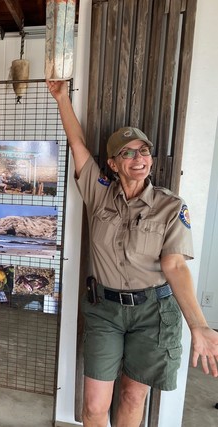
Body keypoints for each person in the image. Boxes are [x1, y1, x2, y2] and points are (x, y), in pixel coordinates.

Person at [47, 80, 218, 426]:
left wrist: (198, 325)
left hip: (152, 312)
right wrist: (62, 98)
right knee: (94, 406)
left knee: (132, 395)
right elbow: (77, 143)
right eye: (128, 152)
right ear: (112, 163)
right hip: (105, 311)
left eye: (144, 151)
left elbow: (174, 266)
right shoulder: (99, 194)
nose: (138, 159)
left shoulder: (171, 207)